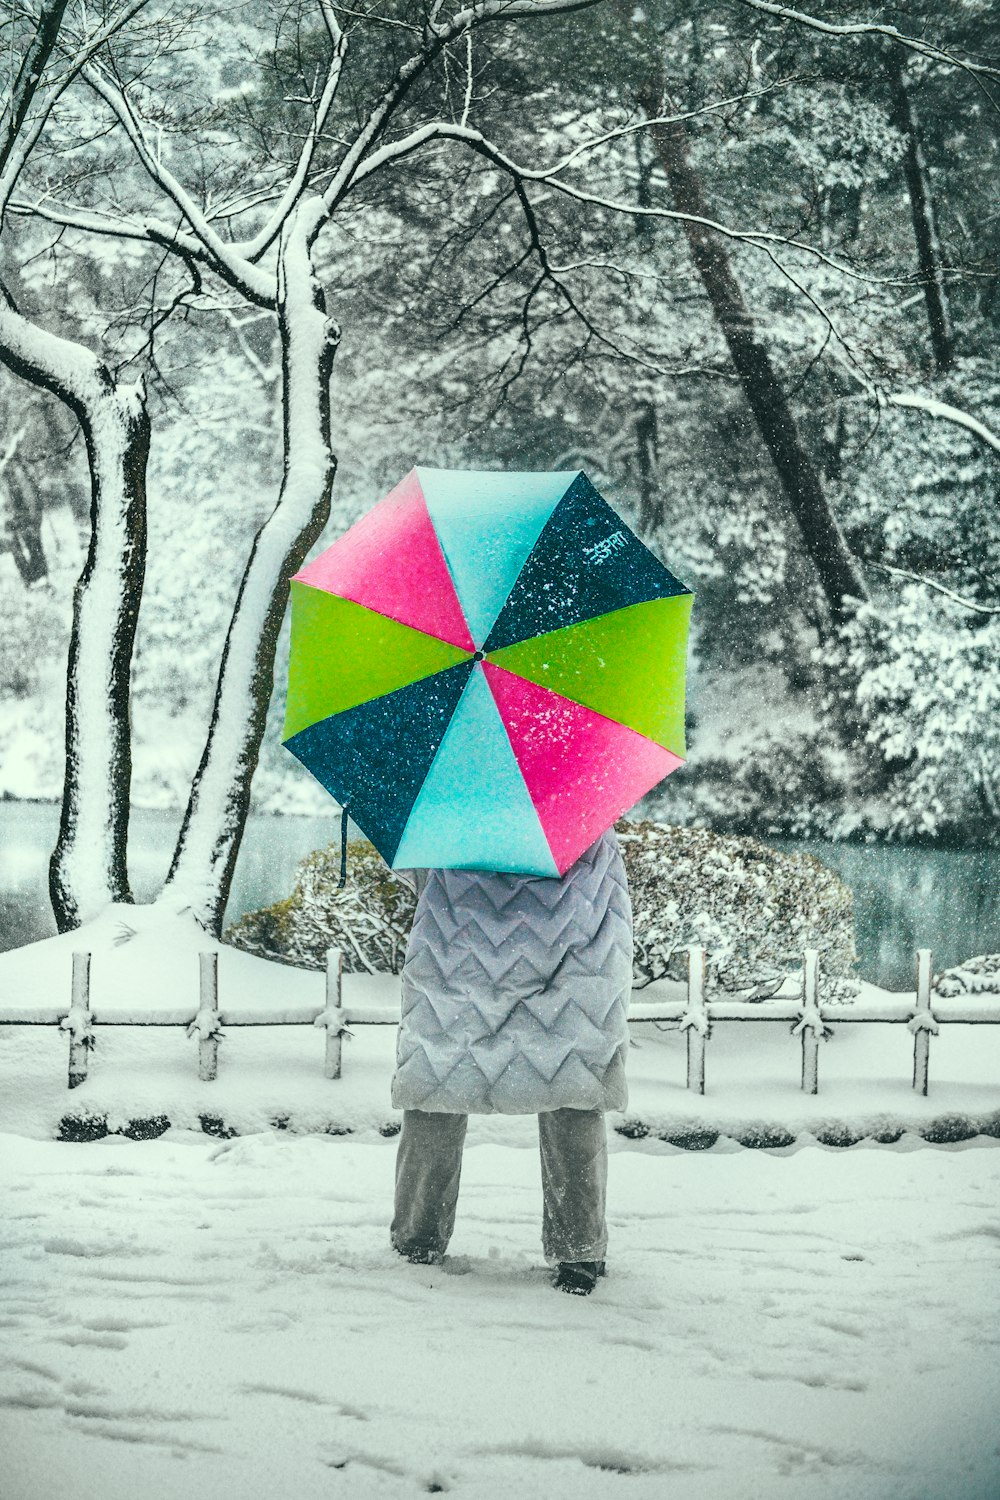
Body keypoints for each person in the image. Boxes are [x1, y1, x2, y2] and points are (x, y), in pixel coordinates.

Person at [390, 826, 633, 1295]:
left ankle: (418, 1239)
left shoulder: (450, 815)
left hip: (457, 976)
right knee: (572, 1098)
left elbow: (422, 890)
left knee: (436, 1092)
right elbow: (611, 920)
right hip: (566, 980)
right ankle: (578, 1250)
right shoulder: (582, 815)